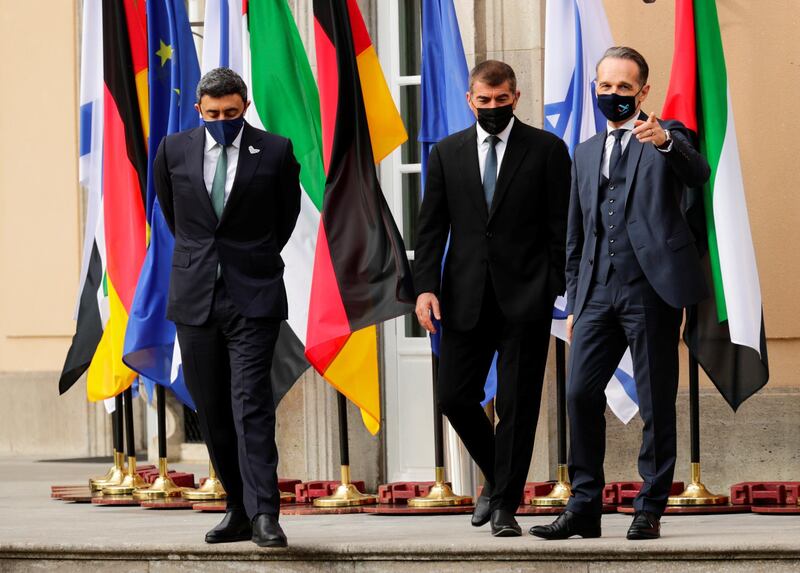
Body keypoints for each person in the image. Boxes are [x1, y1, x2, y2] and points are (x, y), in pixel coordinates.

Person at [530, 47, 710, 541]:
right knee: (579, 394)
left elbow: (697, 174)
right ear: (595, 87)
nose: (613, 95)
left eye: (623, 88)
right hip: (594, 294)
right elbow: (576, 230)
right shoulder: (585, 150)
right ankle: (585, 505)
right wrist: (574, 298)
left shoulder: (666, 135)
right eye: (605, 87)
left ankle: (649, 506)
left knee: (655, 401)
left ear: (643, 92)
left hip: (650, 291)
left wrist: (668, 144)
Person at [415, 60, 571, 537]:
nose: (493, 108)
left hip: (526, 298)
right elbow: (430, 226)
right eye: (484, 101)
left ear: (516, 98)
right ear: (470, 100)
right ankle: (500, 479)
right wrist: (423, 287)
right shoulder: (447, 152)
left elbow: (560, 226)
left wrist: (553, 285)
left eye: (502, 101)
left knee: (517, 406)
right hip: (463, 298)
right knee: (455, 397)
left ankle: (504, 506)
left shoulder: (546, 150)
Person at [154, 67, 300, 548]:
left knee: (251, 405)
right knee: (212, 409)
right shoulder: (173, 150)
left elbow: (285, 217)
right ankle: (236, 507)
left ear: (245, 108)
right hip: (195, 298)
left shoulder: (275, 151)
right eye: (214, 113)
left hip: (252, 296)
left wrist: (247, 259)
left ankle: (265, 516)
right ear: (199, 110)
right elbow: (177, 217)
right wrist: (206, 261)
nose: (222, 120)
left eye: (231, 113)